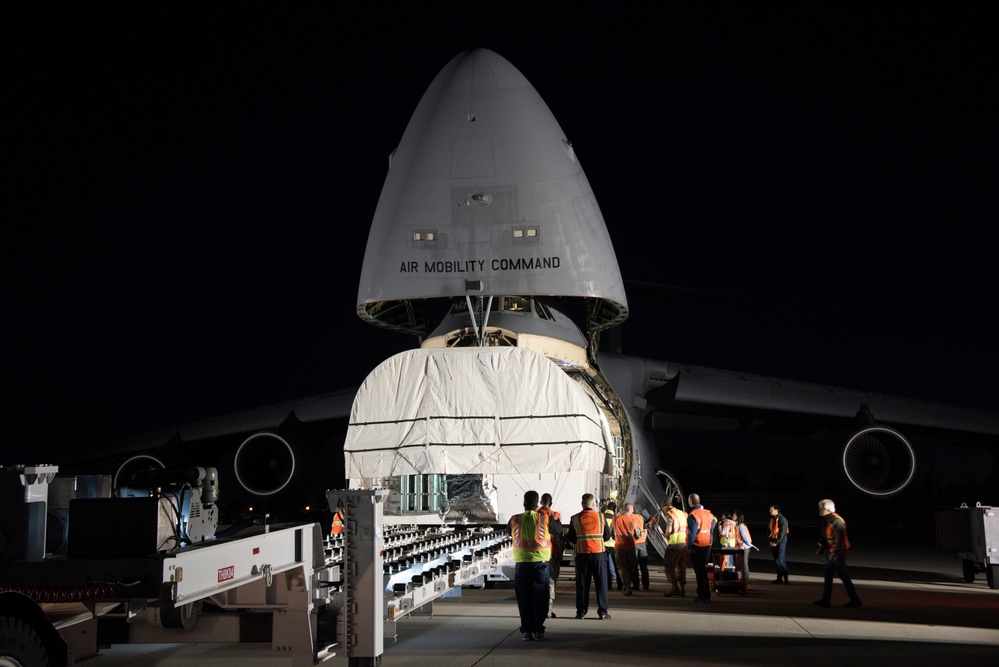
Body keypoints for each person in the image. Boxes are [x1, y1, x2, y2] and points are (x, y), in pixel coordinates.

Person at [509, 490, 553, 640]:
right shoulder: (545, 519)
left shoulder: (514, 519)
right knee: (540, 598)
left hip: (521, 565)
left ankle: (527, 631)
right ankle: (538, 630)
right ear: (537, 504)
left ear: (523, 503)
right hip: (540, 565)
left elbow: (510, 533)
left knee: (524, 599)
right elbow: (558, 531)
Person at [567, 493, 612, 620]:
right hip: (599, 555)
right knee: (601, 585)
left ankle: (580, 612)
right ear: (593, 504)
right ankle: (603, 612)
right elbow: (607, 536)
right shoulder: (601, 517)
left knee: (582, 585)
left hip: (582, 556)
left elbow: (571, 538)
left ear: (582, 504)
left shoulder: (575, 518)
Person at [813, 499, 861, 608]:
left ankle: (855, 600)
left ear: (828, 509)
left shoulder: (837, 521)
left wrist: (835, 553)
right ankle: (826, 600)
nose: (820, 510)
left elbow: (840, 540)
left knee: (844, 577)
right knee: (828, 577)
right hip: (830, 552)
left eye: (822, 508)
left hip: (837, 554)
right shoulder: (827, 520)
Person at [649, 497, 688, 597]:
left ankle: (675, 588)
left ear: (665, 507)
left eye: (663, 509)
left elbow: (669, 529)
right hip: (684, 544)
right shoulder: (683, 513)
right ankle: (682, 589)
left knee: (669, 565)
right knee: (681, 566)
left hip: (674, 544)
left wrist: (666, 535)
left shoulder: (671, 515)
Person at [686, 493, 716, 603]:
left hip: (697, 546)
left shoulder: (693, 515)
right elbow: (711, 529)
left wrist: (688, 547)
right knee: (703, 571)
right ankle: (706, 595)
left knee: (699, 573)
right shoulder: (708, 513)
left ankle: (702, 595)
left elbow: (692, 534)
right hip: (706, 544)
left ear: (691, 502)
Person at [538, 493, 565, 618]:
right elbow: (559, 538)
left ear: (540, 502)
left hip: (536, 554)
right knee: (551, 581)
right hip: (550, 553)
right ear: (551, 502)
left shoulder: (535, 515)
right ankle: (548, 610)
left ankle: (538, 610)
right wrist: (560, 554)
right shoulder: (554, 517)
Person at [612, 503, 642, 595]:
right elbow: (638, 535)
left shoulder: (615, 520)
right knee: (631, 568)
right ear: (628, 510)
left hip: (619, 547)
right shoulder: (633, 520)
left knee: (622, 568)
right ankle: (628, 587)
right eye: (632, 509)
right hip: (630, 547)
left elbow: (612, 535)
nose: (633, 511)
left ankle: (626, 586)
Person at [734, 512, 757, 589]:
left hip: (745, 547)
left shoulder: (741, 526)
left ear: (738, 517)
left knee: (744, 563)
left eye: (734, 515)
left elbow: (745, 537)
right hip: (742, 547)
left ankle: (745, 579)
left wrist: (749, 544)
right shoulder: (739, 525)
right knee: (741, 563)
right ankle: (743, 578)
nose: (733, 516)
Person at [602, 501, 622, 590]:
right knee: (617, 566)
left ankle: (608, 585)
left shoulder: (602, 517)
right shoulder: (616, 518)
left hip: (603, 544)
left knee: (605, 566)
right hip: (614, 544)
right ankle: (620, 585)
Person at [768, 504, 789, 583]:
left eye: (771, 510)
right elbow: (769, 530)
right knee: (776, 560)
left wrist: (776, 542)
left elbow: (782, 532)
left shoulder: (782, 519)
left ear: (776, 510)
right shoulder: (771, 519)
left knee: (780, 560)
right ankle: (779, 578)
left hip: (780, 542)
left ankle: (785, 577)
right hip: (773, 541)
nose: (770, 511)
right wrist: (770, 540)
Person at [633, 509, 650, 591]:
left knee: (634, 566)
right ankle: (646, 585)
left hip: (634, 544)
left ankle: (636, 585)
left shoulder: (630, 518)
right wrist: (643, 539)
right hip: (642, 543)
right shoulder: (640, 518)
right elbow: (646, 531)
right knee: (644, 566)